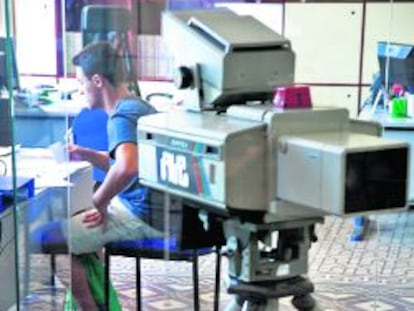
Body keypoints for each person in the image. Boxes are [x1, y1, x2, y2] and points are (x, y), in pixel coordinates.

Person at [66, 41, 163, 310]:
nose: (80, 90)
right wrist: (85, 153)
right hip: (154, 207)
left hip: (146, 214)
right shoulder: (137, 106)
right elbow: (123, 163)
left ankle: (90, 308)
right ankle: (102, 301)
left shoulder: (121, 115)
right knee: (84, 226)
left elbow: (127, 167)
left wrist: (99, 202)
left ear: (97, 81)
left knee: (57, 239)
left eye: (81, 82)